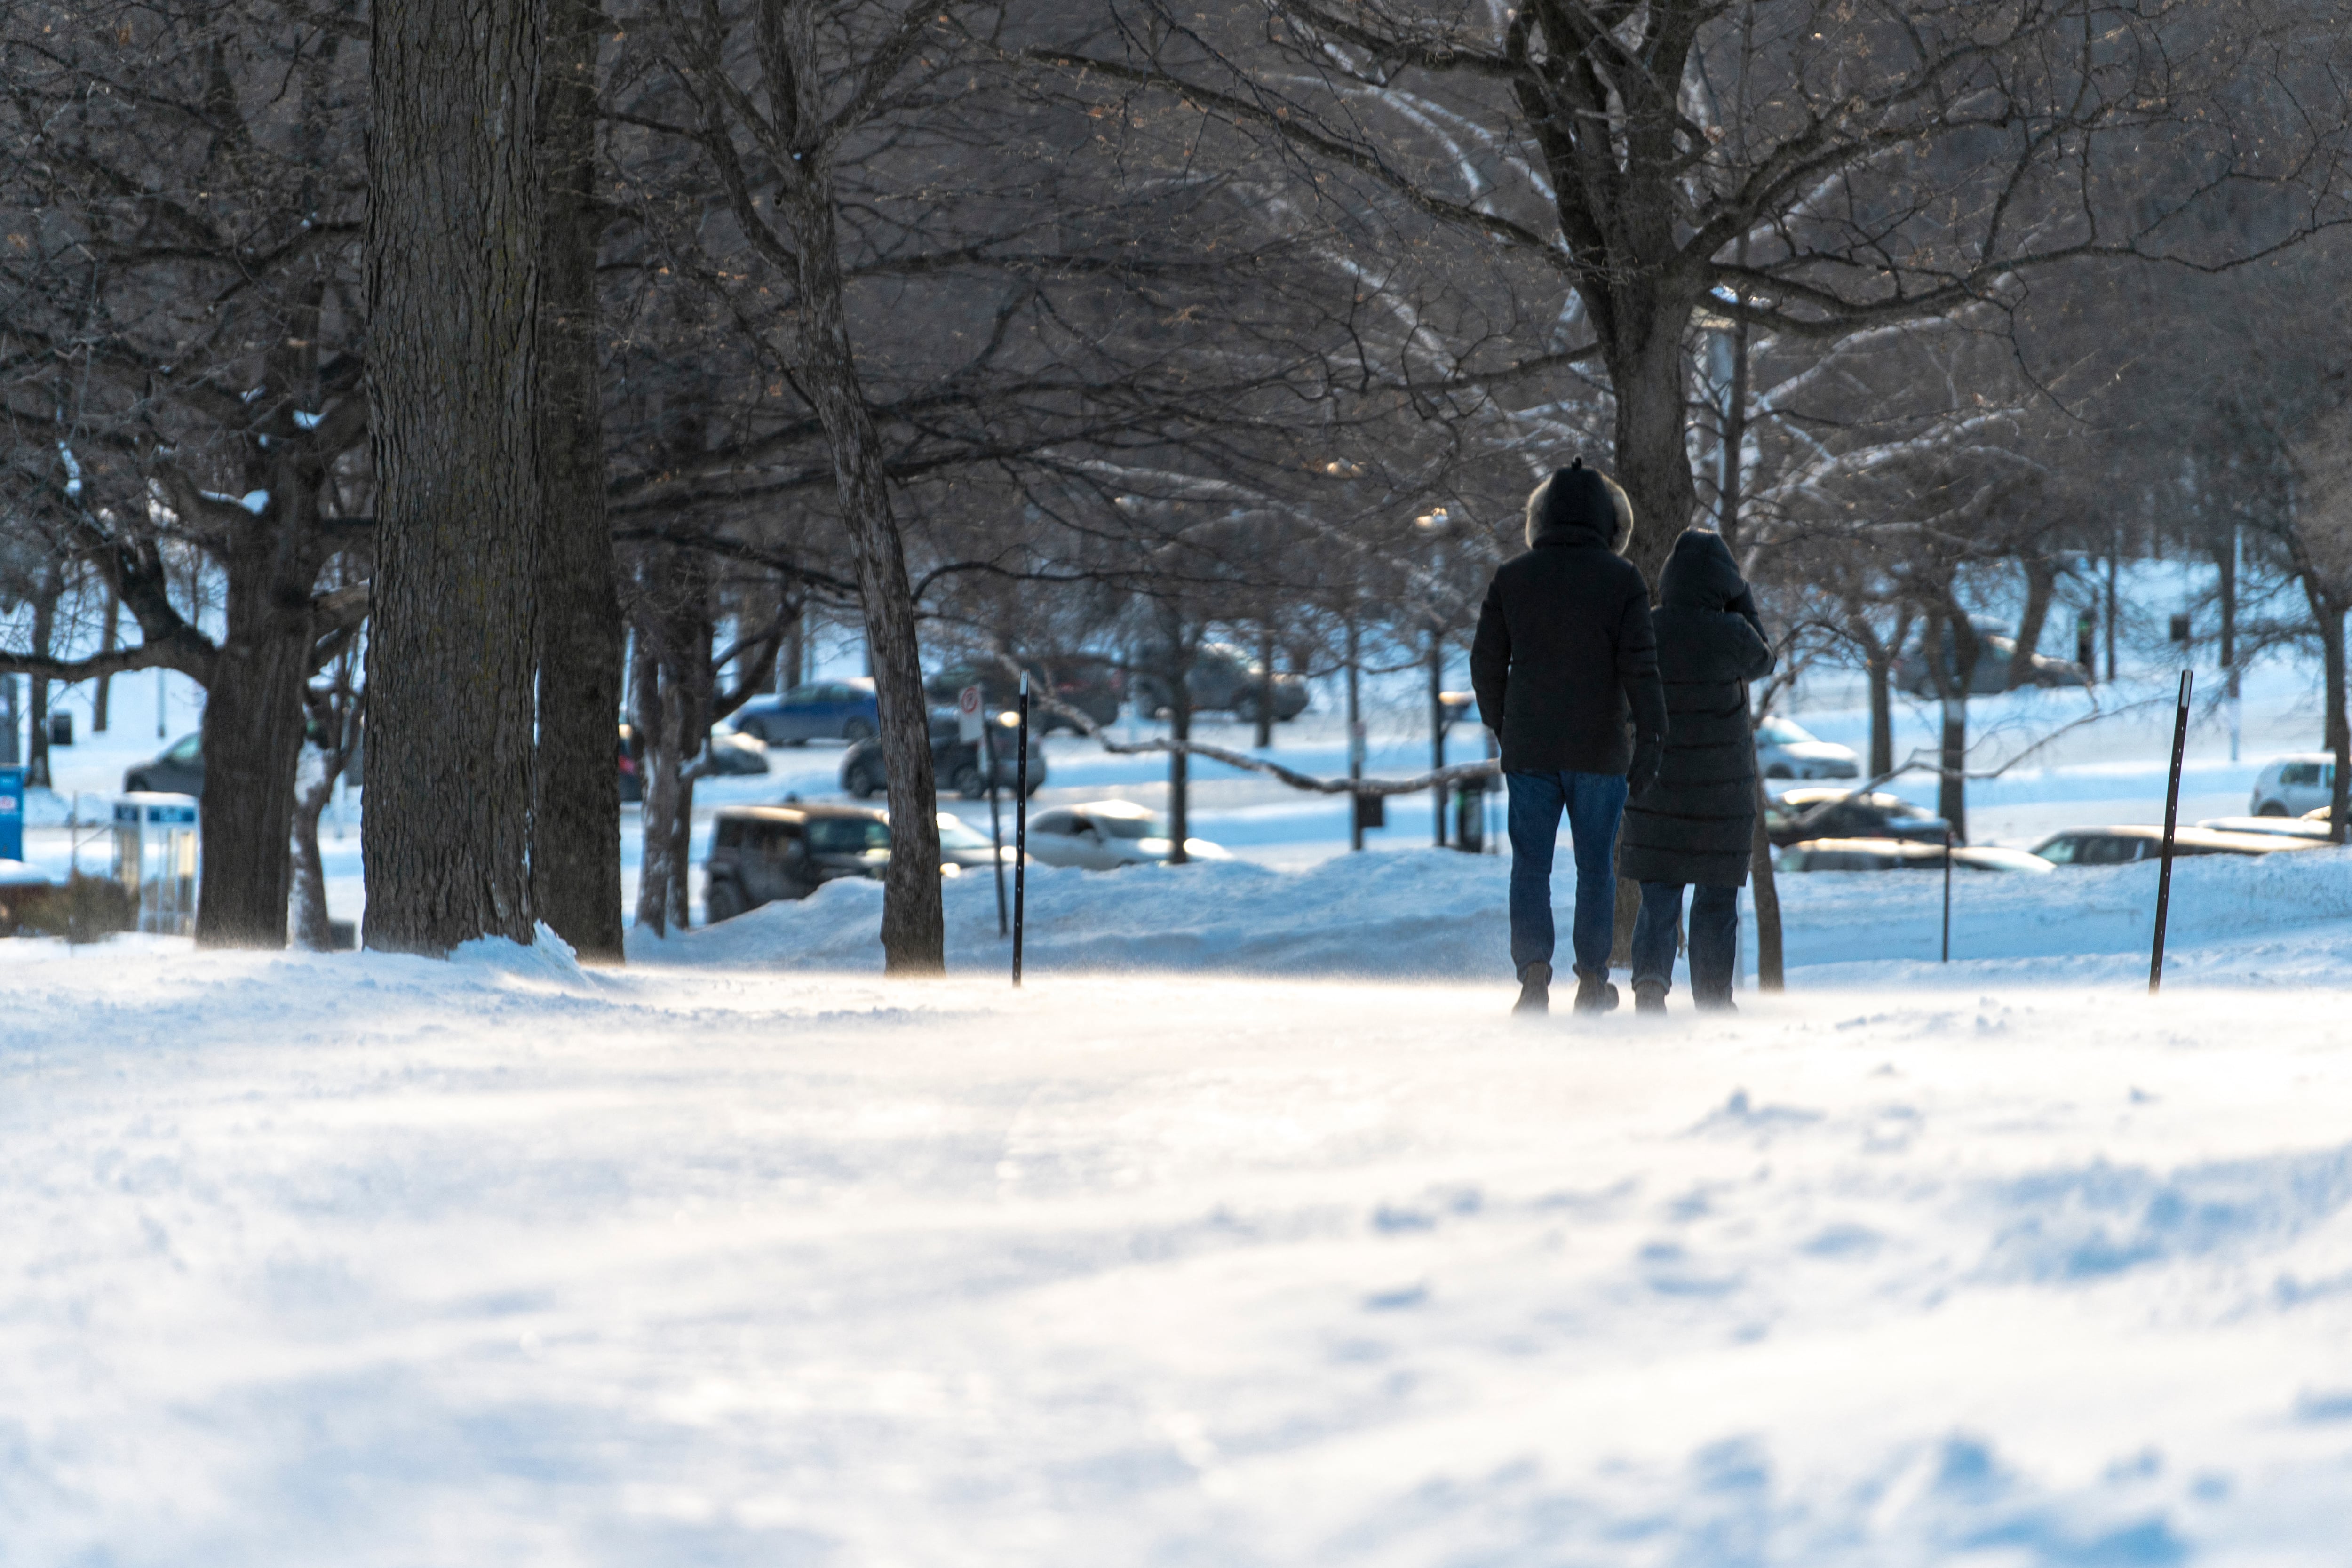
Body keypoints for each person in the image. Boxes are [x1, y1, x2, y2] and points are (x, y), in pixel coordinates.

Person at [1470, 460, 1667, 1016]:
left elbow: (1485, 661)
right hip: (1599, 750)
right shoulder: (1622, 580)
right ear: (1609, 521)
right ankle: (1591, 980)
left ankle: (1533, 975)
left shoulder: (1512, 577)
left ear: (1542, 516)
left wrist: (1502, 723)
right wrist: (1651, 734)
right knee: (1594, 869)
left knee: (1529, 866)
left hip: (1529, 748)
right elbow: (1641, 668)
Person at [1618, 528, 1774, 1013]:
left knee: (1659, 898)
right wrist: (1742, 601)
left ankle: (1648, 986)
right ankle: (1710, 1000)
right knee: (1714, 901)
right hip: (1719, 798)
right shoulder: (1731, 633)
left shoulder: (1646, 627)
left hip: (1657, 788)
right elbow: (1763, 661)